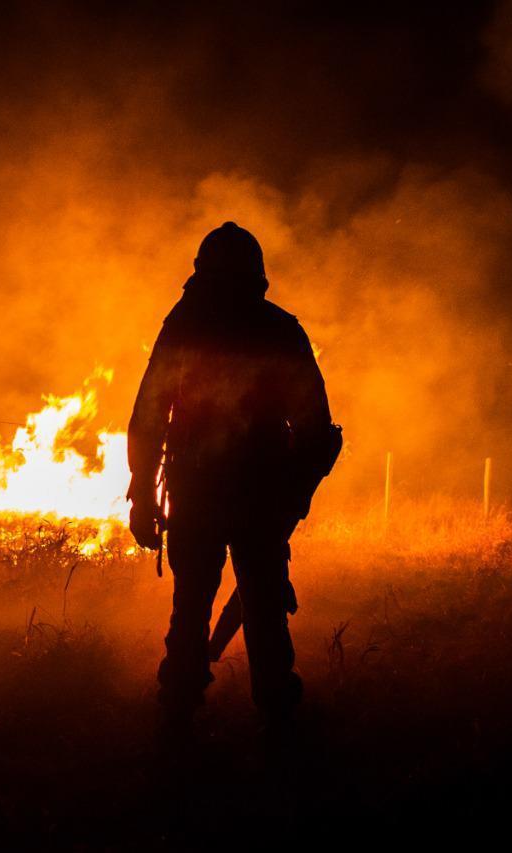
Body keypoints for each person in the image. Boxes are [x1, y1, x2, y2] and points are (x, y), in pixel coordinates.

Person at [127, 222, 336, 731]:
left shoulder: (183, 325)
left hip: (200, 491)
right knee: (263, 607)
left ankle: (177, 712)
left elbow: (149, 414)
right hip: (257, 498)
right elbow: (316, 431)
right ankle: (277, 721)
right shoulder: (279, 329)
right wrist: (292, 497)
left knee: (193, 602)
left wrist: (143, 496)